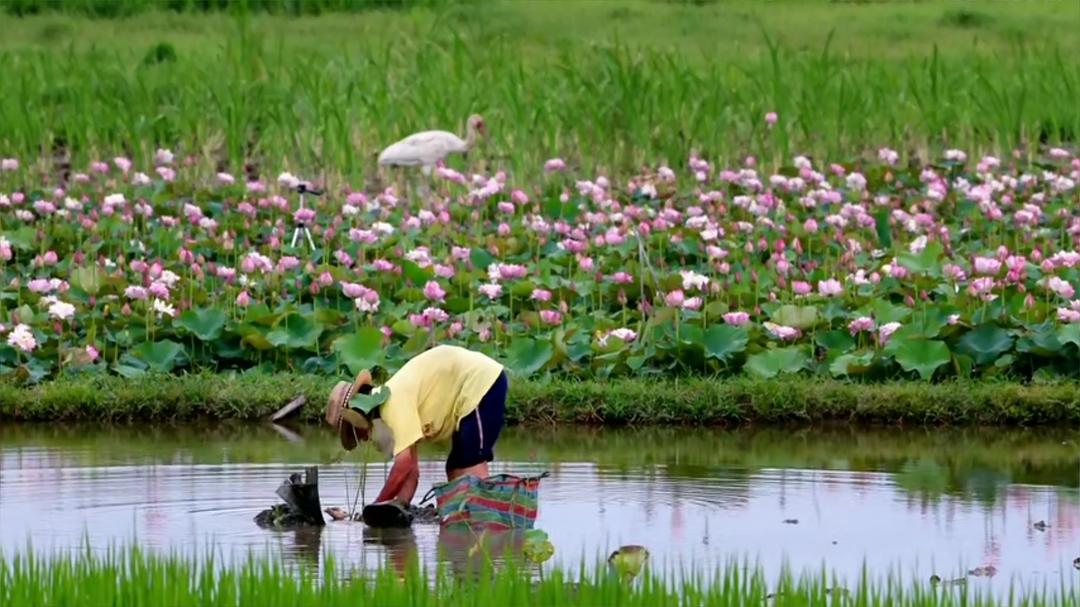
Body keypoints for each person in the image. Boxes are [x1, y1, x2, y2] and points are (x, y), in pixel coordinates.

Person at [324, 344, 508, 512]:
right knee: (454, 467)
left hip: (480, 381)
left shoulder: (392, 404)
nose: (362, 439)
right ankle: (462, 522)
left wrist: (375, 506)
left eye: (355, 432)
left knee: (470, 461)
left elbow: (402, 465)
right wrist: (400, 506)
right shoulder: (390, 407)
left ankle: (489, 519)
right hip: (465, 389)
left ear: (359, 416)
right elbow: (411, 470)